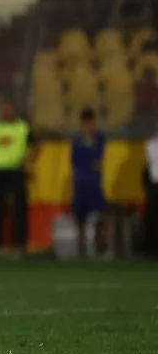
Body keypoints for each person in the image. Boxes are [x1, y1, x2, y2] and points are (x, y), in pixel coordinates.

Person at [0, 99, 37, 254]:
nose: (7, 112)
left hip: (17, 171)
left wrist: (28, 163)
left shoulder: (22, 127)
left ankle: (21, 244)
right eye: (4, 109)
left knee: (20, 209)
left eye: (9, 109)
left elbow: (35, 146)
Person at [70, 108, 107, 257]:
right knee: (80, 218)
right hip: (81, 183)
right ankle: (81, 248)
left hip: (94, 183)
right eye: (86, 124)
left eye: (91, 123)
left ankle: (102, 245)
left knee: (100, 215)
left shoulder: (99, 139)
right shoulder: (77, 141)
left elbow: (98, 157)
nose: (89, 126)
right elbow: (76, 161)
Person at [144, 125, 158, 257]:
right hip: (155, 185)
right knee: (153, 219)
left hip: (153, 184)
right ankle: (152, 249)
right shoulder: (151, 144)